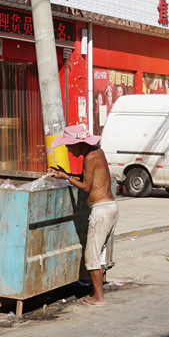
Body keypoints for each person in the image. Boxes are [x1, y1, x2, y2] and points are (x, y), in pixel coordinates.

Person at [50, 124, 117, 306]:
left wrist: (66, 178)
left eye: (70, 146)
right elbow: (85, 178)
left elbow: (86, 187)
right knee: (99, 254)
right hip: (109, 207)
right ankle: (98, 294)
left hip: (101, 210)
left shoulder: (90, 157)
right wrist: (65, 174)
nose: (69, 151)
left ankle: (98, 298)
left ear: (79, 143)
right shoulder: (97, 153)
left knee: (92, 256)